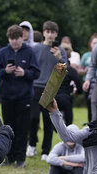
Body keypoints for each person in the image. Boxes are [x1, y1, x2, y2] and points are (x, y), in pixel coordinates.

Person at [0, 24, 40, 167]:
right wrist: (5, 72)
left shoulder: (29, 52)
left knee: (22, 129)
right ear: (8, 39)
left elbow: (37, 73)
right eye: (12, 39)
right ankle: (9, 158)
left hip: (24, 97)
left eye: (17, 38)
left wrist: (25, 73)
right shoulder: (2, 52)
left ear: (22, 38)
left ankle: (21, 159)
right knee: (7, 129)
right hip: (7, 97)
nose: (14, 42)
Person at [30, 21, 67, 161]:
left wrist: (60, 58)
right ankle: (32, 144)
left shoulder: (60, 50)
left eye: (53, 32)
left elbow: (66, 69)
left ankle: (46, 150)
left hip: (51, 87)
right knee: (33, 118)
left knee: (48, 120)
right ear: (44, 32)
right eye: (48, 31)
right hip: (35, 86)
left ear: (56, 34)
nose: (50, 35)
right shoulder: (36, 48)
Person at [81, 33, 97, 122]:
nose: (95, 45)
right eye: (94, 43)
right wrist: (85, 71)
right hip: (88, 84)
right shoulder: (86, 55)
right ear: (90, 44)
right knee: (90, 107)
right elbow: (80, 69)